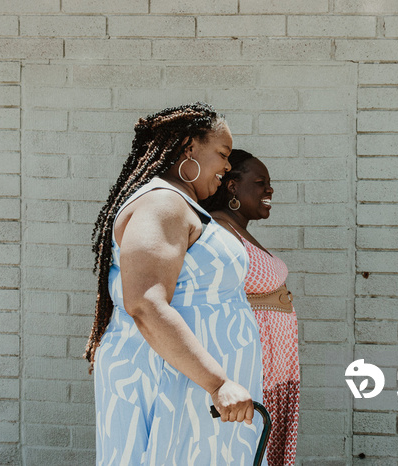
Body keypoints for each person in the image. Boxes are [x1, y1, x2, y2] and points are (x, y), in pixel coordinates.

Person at [85, 103, 265, 465]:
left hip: (196, 391)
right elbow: (145, 305)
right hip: (180, 385)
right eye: (223, 154)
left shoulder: (180, 203)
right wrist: (217, 383)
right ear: (188, 148)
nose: (227, 166)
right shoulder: (163, 203)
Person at [201, 149, 300, 466]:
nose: (269, 190)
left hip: (276, 369)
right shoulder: (215, 231)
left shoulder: (237, 230)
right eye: (260, 182)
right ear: (232, 186)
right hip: (253, 372)